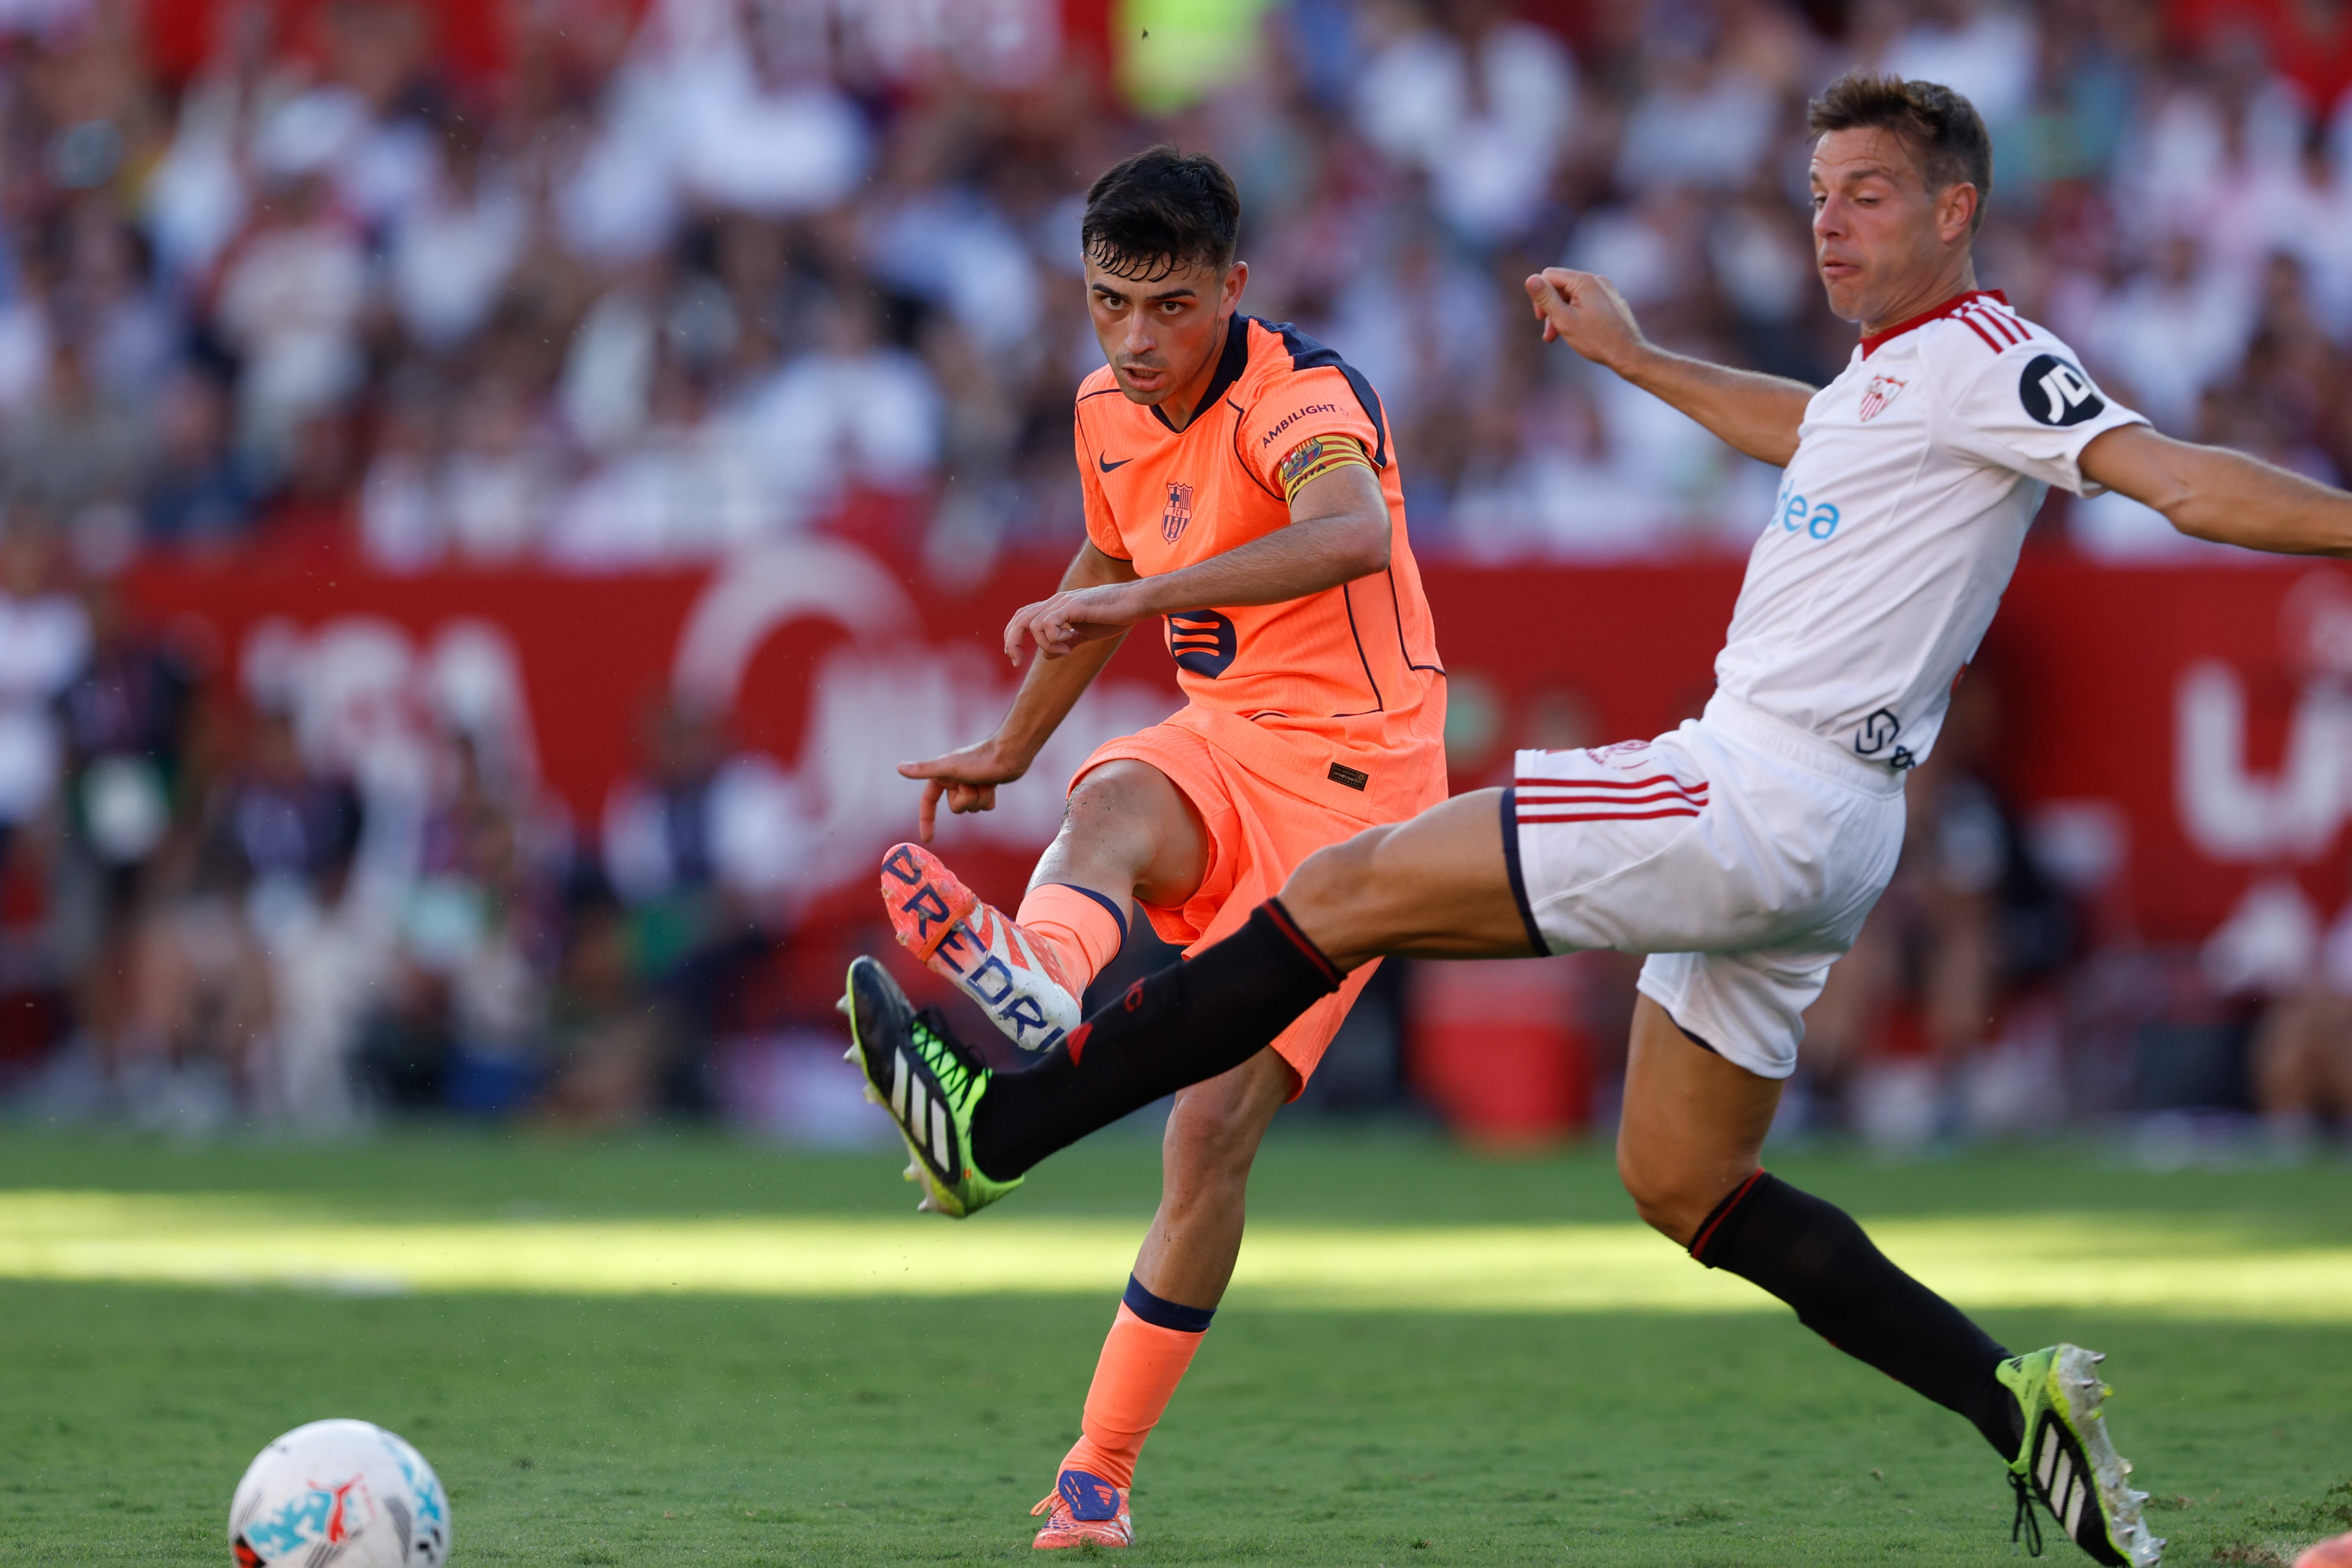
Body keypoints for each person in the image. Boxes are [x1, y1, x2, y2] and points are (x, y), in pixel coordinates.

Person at [844, 73, 2352, 1564]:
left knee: (1346, 890)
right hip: (1827, 833)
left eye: (1868, 197)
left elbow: (2178, 483)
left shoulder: (1989, 355)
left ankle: (1005, 1126)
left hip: (1753, 785)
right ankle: (2009, 1401)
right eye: (1816, 197)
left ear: (1957, 209)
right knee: (1684, 1182)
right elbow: (1814, 430)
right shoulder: (1891, 377)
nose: (1828, 226)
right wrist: (1635, 358)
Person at [865, 146, 1447, 1548]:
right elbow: (1109, 562)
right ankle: (1039, 978)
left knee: (1208, 1134)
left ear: (1231, 288)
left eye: (1169, 307)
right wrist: (1013, 744)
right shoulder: (1100, 408)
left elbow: (1349, 533)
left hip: (1359, 785)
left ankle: (1098, 1470)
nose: (1134, 339)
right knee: (1109, 802)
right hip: (1224, 736)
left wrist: (1141, 601)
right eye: (1107, 303)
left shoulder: (1302, 396)